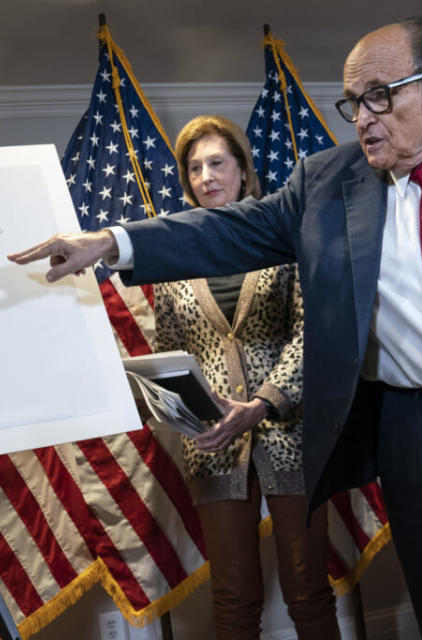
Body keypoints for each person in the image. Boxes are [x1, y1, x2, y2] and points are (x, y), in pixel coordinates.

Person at [10, 16, 422, 639]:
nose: (363, 117)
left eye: (380, 96)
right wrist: (109, 241)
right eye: (353, 103)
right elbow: (229, 229)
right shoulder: (326, 184)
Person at [152, 115, 337, 639]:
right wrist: (184, 411)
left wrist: (263, 401)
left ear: (241, 170)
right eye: (194, 168)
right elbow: (166, 351)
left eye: (217, 163)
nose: (206, 176)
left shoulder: (283, 238)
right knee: (232, 598)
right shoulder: (173, 255)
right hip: (212, 444)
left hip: (291, 434)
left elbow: (312, 330)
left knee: (309, 590)